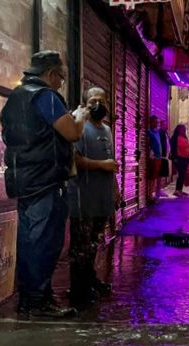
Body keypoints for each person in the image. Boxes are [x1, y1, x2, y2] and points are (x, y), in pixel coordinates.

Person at [0, 50, 90, 317]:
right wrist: (81, 116)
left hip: (24, 181)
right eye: (60, 78)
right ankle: (38, 302)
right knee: (46, 244)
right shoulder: (45, 97)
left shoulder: (16, 97)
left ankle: (31, 299)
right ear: (51, 74)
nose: (61, 83)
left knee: (29, 242)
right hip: (45, 181)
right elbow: (72, 133)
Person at [68, 87, 119, 308]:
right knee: (81, 246)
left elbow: (112, 162)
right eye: (92, 100)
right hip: (83, 198)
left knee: (95, 243)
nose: (97, 104)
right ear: (85, 104)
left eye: (101, 99)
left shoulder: (107, 130)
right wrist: (102, 166)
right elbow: (75, 161)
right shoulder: (79, 128)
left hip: (102, 198)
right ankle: (78, 290)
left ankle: (90, 281)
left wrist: (115, 190)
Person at [170, 124, 189, 197]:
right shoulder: (175, 138)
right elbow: (172, 148)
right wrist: (174, 158)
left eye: (184, 129)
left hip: (185, 159)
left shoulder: (184, 137)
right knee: (181, 174)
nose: (184, 130)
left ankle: (180, 190)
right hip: (179, 159)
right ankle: (177, 190)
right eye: (182, 129)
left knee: (182, 175)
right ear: (178, 129)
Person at [147, 116, 165, 200]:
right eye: (154, 122)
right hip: (153, 158)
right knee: (152, 177)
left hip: (158, 157)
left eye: (157, 122)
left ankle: (153, 193)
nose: (156, 124)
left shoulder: (156, 132)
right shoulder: (149, 132)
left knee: (156, 176)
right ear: (150, 122)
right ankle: (150, 195)